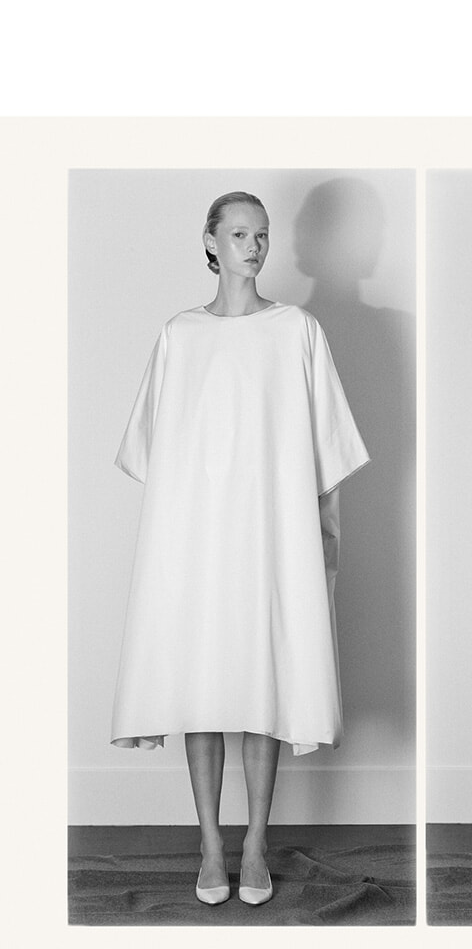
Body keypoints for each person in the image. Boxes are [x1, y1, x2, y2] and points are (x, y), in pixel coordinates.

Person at [111, 192, 369, 908]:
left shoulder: (296, 332)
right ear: (211, 242)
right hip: (197, 543)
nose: (254, 246)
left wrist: (317, 545)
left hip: (269, 539)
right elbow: (153, 456)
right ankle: (210, 844)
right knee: (201, 692)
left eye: (262, 234)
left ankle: (254, 841)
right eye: (239, 233)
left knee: (261, 690)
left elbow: (323, 453)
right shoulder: (180, 336)